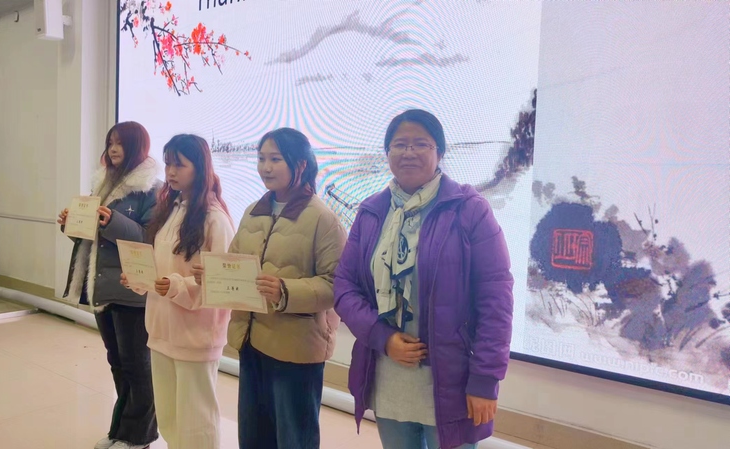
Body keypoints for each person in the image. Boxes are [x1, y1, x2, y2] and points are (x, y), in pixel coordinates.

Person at [334, 109, 514, 449]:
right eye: (399, 144)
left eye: (421, 144)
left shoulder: (469, 210)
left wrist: (485, 380)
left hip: (452, 381)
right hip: (388, 375)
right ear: (387, 153)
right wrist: (383, 337)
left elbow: (496, 300)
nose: (409, 152)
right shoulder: (372, 212)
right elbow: (344, 287)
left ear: (439, 152)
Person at [194, 128, 346, 449]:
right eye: (261, 158)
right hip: (252, 341)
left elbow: (336, 286)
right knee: (254, 434)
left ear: (301, 164)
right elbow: (236, 262)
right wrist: (212, 273)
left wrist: (285, 291)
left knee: (294, 437)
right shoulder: (253, 212)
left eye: (276, 159)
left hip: (296, 348)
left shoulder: (323, 219)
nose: (265, 167)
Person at [121, 134, 235, 449]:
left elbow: (222, 284)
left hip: (195, 336)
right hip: (161, 331)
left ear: (200, 168)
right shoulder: (171, 209)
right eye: (168, 164)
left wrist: (176, 286)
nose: (170, 172)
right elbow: (161, 268)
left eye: (179, 165)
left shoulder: (215, 219)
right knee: (170, 418)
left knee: (197, 420)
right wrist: (139, 278)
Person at [58, 121, 160, 449]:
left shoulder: (152, 189)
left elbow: (149, 238)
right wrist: (71, 225)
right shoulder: (101, 184)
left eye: (121, 143)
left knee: (137, 366)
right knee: (117, 362)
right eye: (110, 143)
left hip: (133, 288)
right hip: (102, 285)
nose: (113, 149)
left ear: (137, 147)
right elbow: (91, 238)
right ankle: (120, 430)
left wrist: (112, 221)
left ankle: (140, 436)